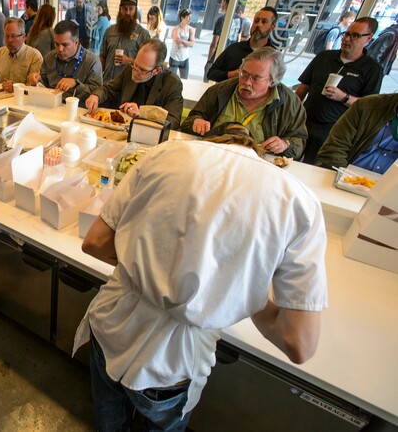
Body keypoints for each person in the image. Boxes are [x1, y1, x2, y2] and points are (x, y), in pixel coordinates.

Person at [75, 121, 327, 431]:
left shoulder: (164, 154)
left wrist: (147, 270)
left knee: (109, 423)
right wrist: (238, 288)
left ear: (211, 140)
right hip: (173, 363)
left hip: (112, 328)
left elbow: (95, 242)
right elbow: (298, 342)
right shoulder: (298, 201)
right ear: (256, 149)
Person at [183, 47, 307, 159]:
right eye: (244, 74)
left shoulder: (290, 104)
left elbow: (299, 142)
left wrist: (286, 145)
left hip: (257, 166)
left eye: (256, 78)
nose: (247, 82)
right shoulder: (219, 91)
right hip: (212, 157)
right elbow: (189, 121)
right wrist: (197, 121)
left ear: (272, 81)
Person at [296, 17, 383, 165]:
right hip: (304, 121)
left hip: (333, 131)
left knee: (315, 169)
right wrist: (292, 112)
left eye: (355, 35)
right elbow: (304, 87)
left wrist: (344, 97)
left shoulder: (372, 69)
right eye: (346, 34)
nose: (347, 39)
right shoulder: (324, 57)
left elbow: (369, 106)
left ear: (368, 38)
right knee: (288, 161)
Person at [85, 39, 183, 129]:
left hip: (151, 136)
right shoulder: (130, 69)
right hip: (124, 128)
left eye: (142, 70)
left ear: (156, 70)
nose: (135, 72)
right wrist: (95, 96)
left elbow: (173, 121)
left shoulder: (172, 83)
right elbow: (109, 89)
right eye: (135, 64)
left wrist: (142, 114)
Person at [316, 93, 398, 172]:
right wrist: (344, 178)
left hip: (387, 184)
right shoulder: (367, 106)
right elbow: (334, 149)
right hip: (344, 174)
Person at [30, 20, 103, 102]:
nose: (60, 49)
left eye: (65, 45)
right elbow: (44, 83)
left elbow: (97, 92)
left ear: (76, 42)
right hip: (51, 105)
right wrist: (37, 80)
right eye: (57, 44)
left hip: (78, 109)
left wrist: (76, 84)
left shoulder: (92, 61)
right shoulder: (49, 58)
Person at [208, 7, 278, 82]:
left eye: (264, 22)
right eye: (256, 21)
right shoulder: (235, 48)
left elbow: (274, 84)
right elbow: (211, 73)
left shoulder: (274, 56)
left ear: (272, 27)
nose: (258, 25)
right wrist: (232, 74)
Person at [0, 18, 42, 93]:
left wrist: (16, 88)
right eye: (6, 36)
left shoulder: (34, 56)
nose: (9, 40)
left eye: (13, 36)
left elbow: (34, 87)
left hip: (22, 101)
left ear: (23, 37)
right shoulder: (0, 53)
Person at [100, 0, 150, 83]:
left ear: (135, 10)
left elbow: (147, 65)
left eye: (131, 9)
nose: (127, 12)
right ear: (120, 9)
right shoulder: (109, 31)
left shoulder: (143, 35)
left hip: (128, 86)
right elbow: (103, 57)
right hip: (106, 83)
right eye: (124, 9)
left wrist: (130, 61)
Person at [169, 9, 195, 80]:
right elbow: (178, 44)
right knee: (171, 79)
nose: (189, 19)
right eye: (188, 17)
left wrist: (182, 41)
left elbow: (192, 44)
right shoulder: (176, 29)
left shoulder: (191, 30)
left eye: (190, 17)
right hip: (175, 57)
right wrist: (187, 43)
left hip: (185, 58)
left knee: (184, 79)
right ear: (182, 18)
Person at [207, 0, 230, 64]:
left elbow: (214, 44)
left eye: (222, 1)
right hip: (230, 57)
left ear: (225, 2)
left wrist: (209, 60)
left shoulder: (221, 20)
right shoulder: (239, 19)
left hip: (219, 56)